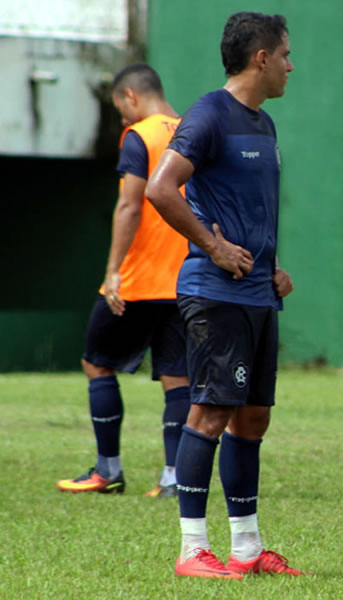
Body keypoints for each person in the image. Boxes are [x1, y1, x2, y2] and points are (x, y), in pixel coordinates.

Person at [145, 11, 299, 580]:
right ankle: (191, 550)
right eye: (285, 54)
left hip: (258, 293)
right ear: (261, 58)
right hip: (216, 293)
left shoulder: (264, 124)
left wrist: (272, 264)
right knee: (209, 413)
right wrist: (213, 247)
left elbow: (250, 205)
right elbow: (162, 189)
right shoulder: (209, 114)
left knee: (251, 418)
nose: (290, 65)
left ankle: (247, 548)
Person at [56, 63, 190, 499]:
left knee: (97, 362)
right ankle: (173, 477)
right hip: (186, 279)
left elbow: (130, 206)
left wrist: (113, 270)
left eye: (121, 110)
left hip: (138, 280)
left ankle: (107, 469)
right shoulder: (194, 130)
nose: (123, 120)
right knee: (178, 378)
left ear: (130, 96)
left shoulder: (141, 136)